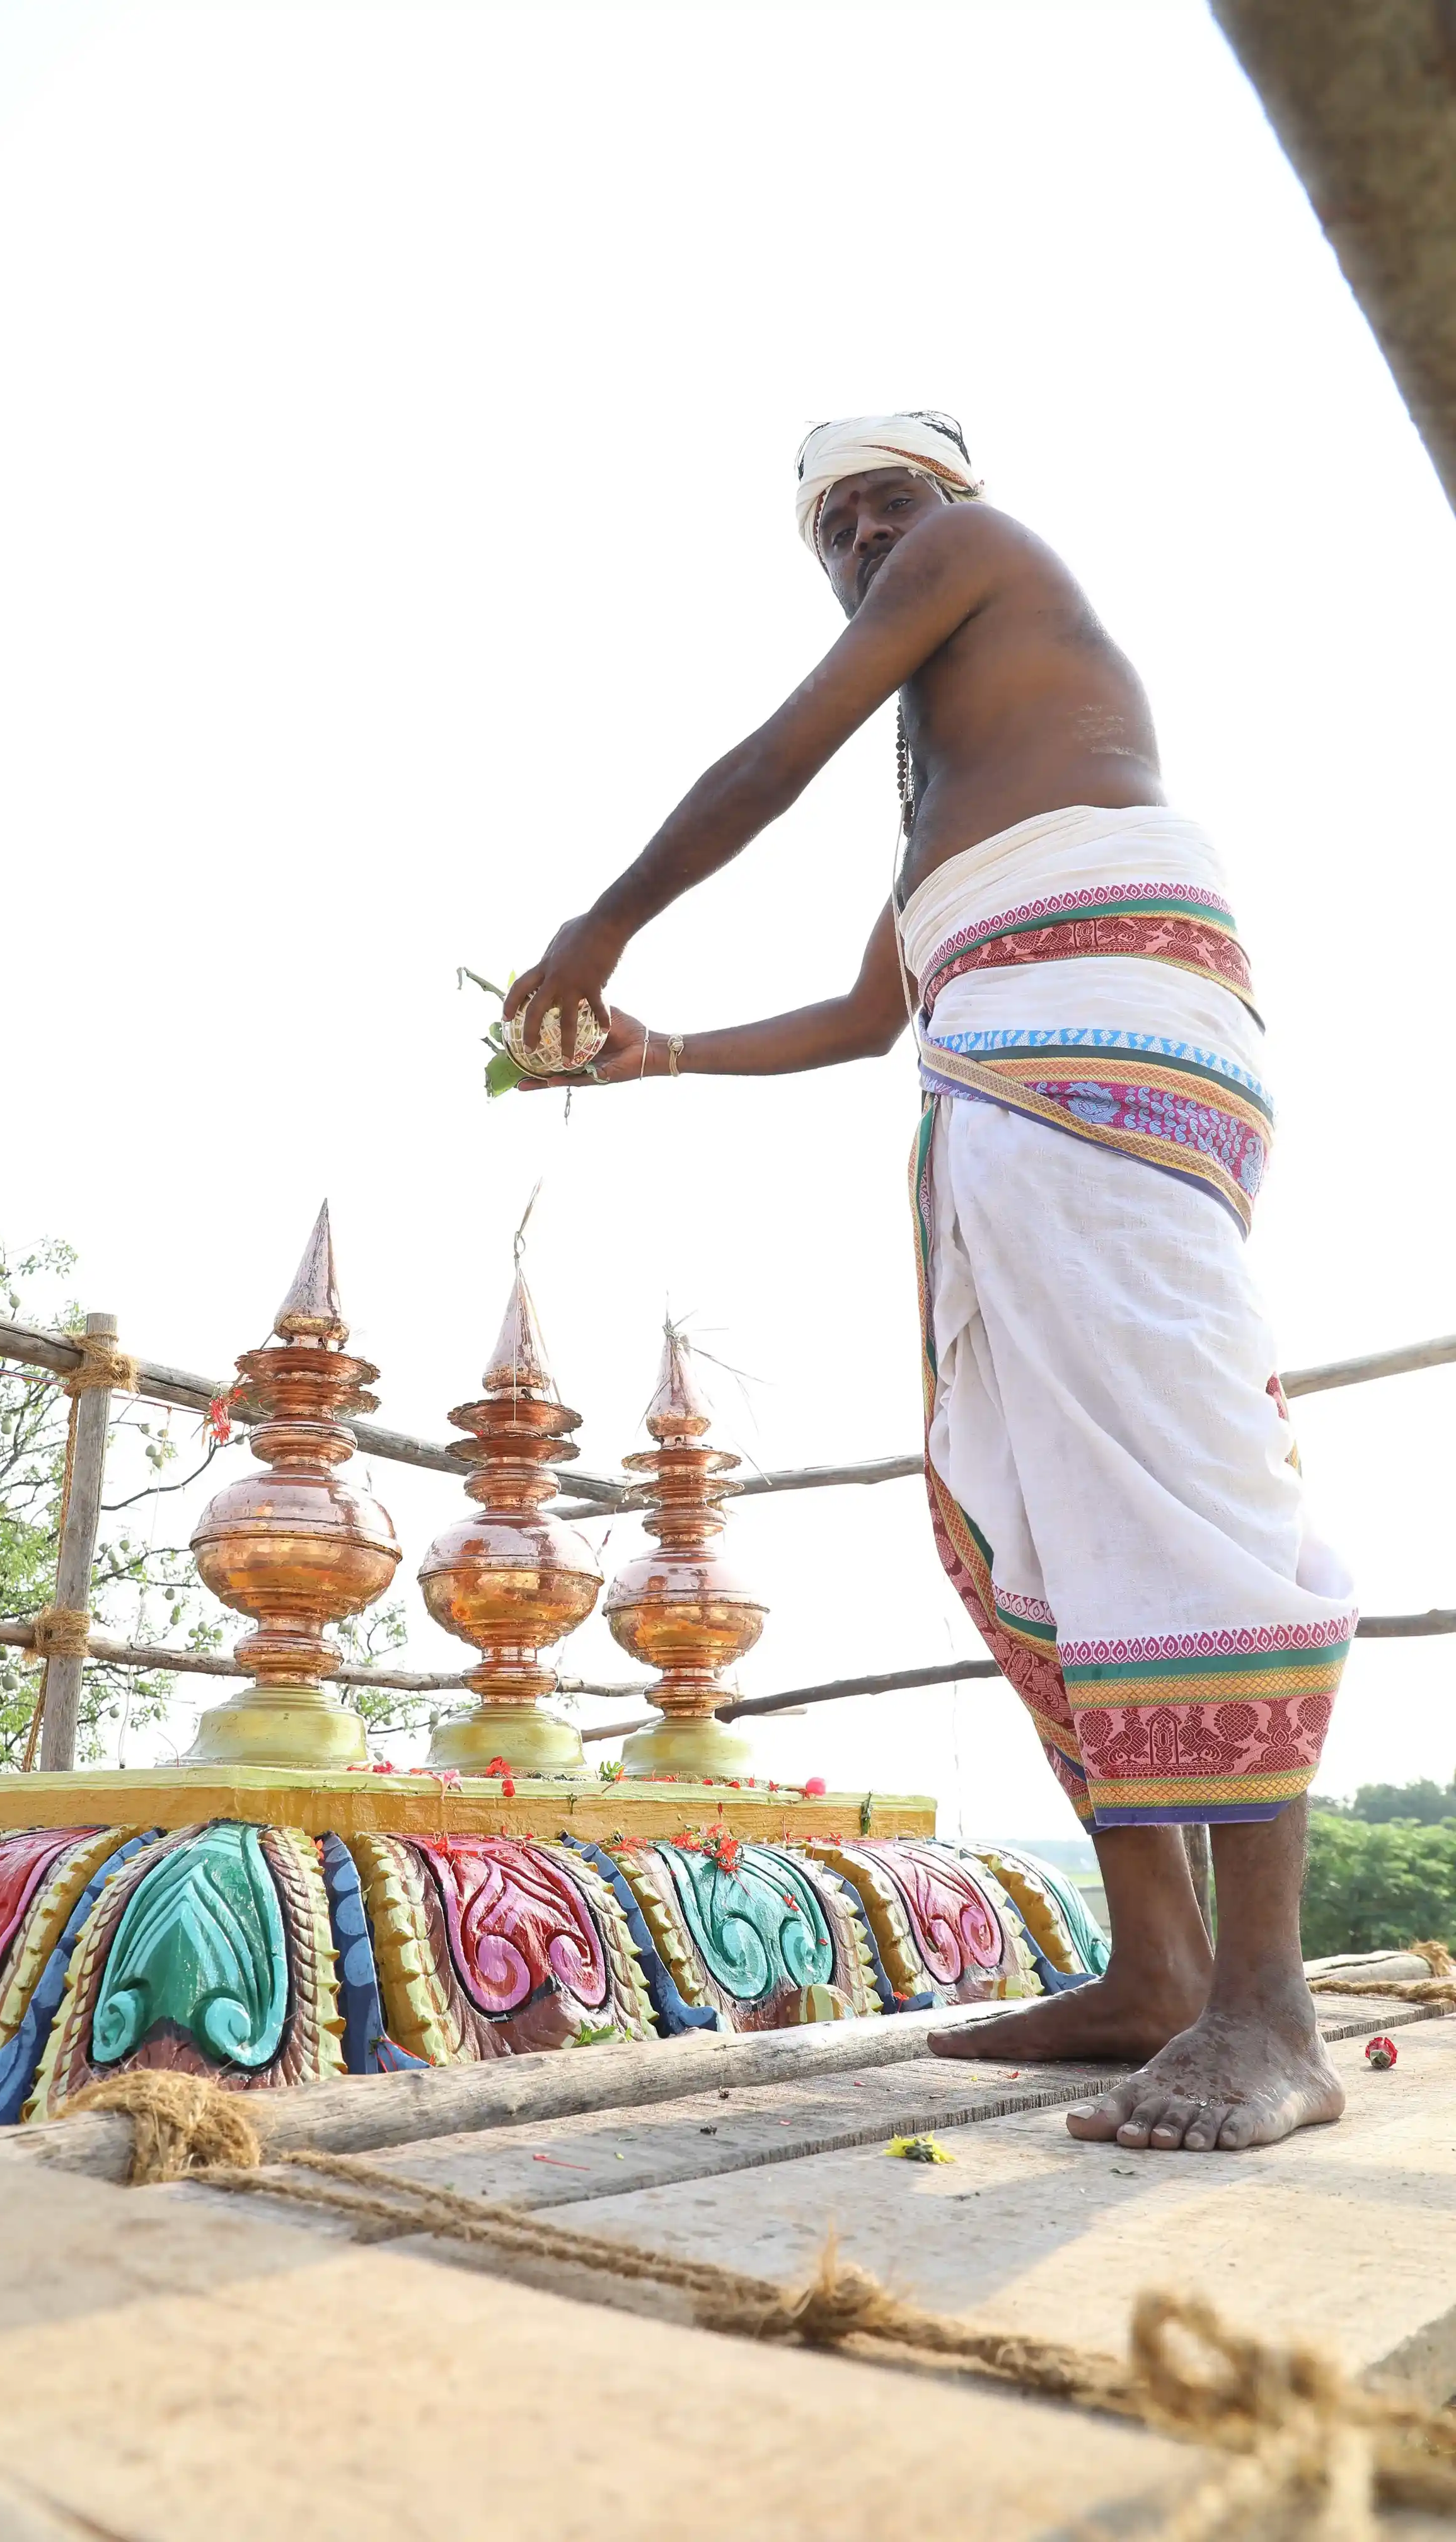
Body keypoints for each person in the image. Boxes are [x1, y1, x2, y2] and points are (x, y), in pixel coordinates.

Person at [506, 411, 1356, 2154]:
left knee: (1168, 1463)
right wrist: (655, 1053)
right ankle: (1153, 1967)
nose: (870, 531)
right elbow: (863, 1014)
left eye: (895, 498)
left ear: (951, 508)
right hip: (989, 1055)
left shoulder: (983, 554)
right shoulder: (947, 788)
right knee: (1025, 1498)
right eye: (838, 518)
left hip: (1100, 1018)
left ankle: (1269, 2010)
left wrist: (597, 930)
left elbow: (768, 757)